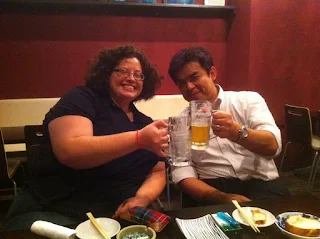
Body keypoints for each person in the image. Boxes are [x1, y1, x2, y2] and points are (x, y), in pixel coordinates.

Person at [1, 45, 168, 231]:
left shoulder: (144, 122)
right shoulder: (82, 99)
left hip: (114, 218)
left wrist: (141, 199)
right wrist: (138, 139)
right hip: (55, 212)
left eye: (139, 75)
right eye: (122, 71)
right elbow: (70, 151)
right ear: (106, 73)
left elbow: (157, 171)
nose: (131, 78)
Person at [168, 46, 289, 206]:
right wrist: (219, 197)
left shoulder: (248, 100)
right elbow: (181, 171)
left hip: (261, 182)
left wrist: (237, 132)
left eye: (194, 77)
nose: (189, 87)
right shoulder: (181, 121)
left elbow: (273, 146)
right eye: (182, 83)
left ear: (212, 73)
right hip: (212, 189)